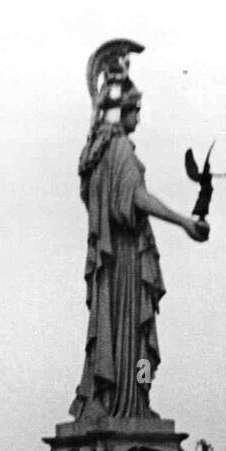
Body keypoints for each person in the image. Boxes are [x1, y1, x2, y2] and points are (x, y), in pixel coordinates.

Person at [70, 49, 208, 423]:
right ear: (123, 110)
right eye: (136, 109)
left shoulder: (96, 156)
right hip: (126, 262)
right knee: (137, 342)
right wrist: (183, 221)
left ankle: (113, 396)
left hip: (111, 266)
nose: (140, 116)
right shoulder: (120, 152)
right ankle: (135, 403)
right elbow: (136, 198)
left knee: (118, 341)